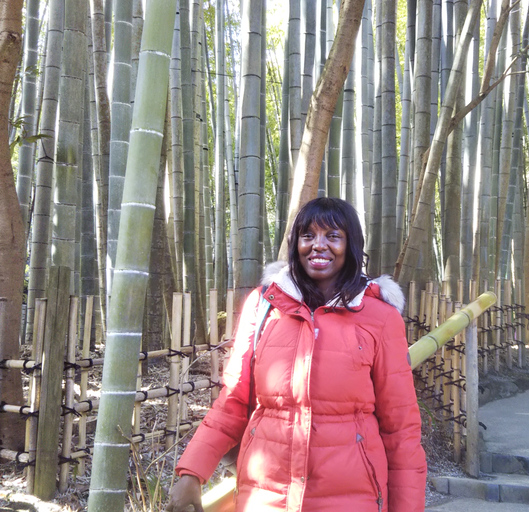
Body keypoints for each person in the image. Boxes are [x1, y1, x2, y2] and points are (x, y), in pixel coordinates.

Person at [167, 197, 427, 512]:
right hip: (266, 497)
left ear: (352, 245)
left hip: (351, 498)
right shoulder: (263, 305)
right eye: (308, 236)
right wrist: (192, 472)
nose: (319, 245)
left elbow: (400, 428)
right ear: (295, 245)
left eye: (333, 236)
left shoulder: (379, 317)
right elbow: (232, 401)